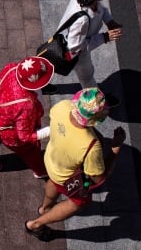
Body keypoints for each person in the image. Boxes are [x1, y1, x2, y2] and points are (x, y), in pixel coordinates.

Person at [24, 88, 125, 241]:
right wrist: (115, 148)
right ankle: (36, 224)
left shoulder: (62, 106)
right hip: (66, 176)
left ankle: (44, 208)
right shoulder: (91, 145)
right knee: (78, 203)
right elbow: (98, 178)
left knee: (53, 181)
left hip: (51, 161)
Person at [0, 56, 53, 178]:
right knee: (31, 150)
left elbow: (2, 76)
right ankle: (40, 171)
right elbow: (25, 136)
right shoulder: (26, 105)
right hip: (10, 132)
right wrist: (49, 130)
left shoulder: (12, 68)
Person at [59, 0, 122, 89]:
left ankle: (36, 79)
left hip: (67, 38)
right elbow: (74, 47)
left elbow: (99, 7)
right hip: (77, 53)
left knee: (52, 64)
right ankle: (96, 101)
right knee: (87, 77)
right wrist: (105, 37)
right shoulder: (82, 21)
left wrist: (109, 21)